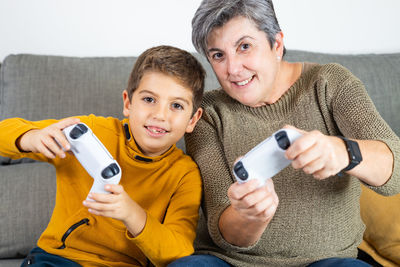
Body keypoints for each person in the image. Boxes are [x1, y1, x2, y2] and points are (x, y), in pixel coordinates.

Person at [168, 0, 400, 266]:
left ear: (276, 44)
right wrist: (251, 216)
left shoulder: (330, 83)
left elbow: (395, 172)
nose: (232, 69)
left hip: (327, 260)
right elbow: (223, 234)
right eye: (218, 55)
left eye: (244, 46)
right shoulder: (206, 113)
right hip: (227, 261)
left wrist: (343, 151)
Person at [0, 45, 205, 267]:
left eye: (176, 105)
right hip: (59, 259)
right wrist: (30, 137)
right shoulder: (90, 132)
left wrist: (131, 214)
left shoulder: (185, 174)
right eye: (149, 100)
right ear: (128, 103)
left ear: (192, 120)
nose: (160, 115)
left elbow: (178, 251)